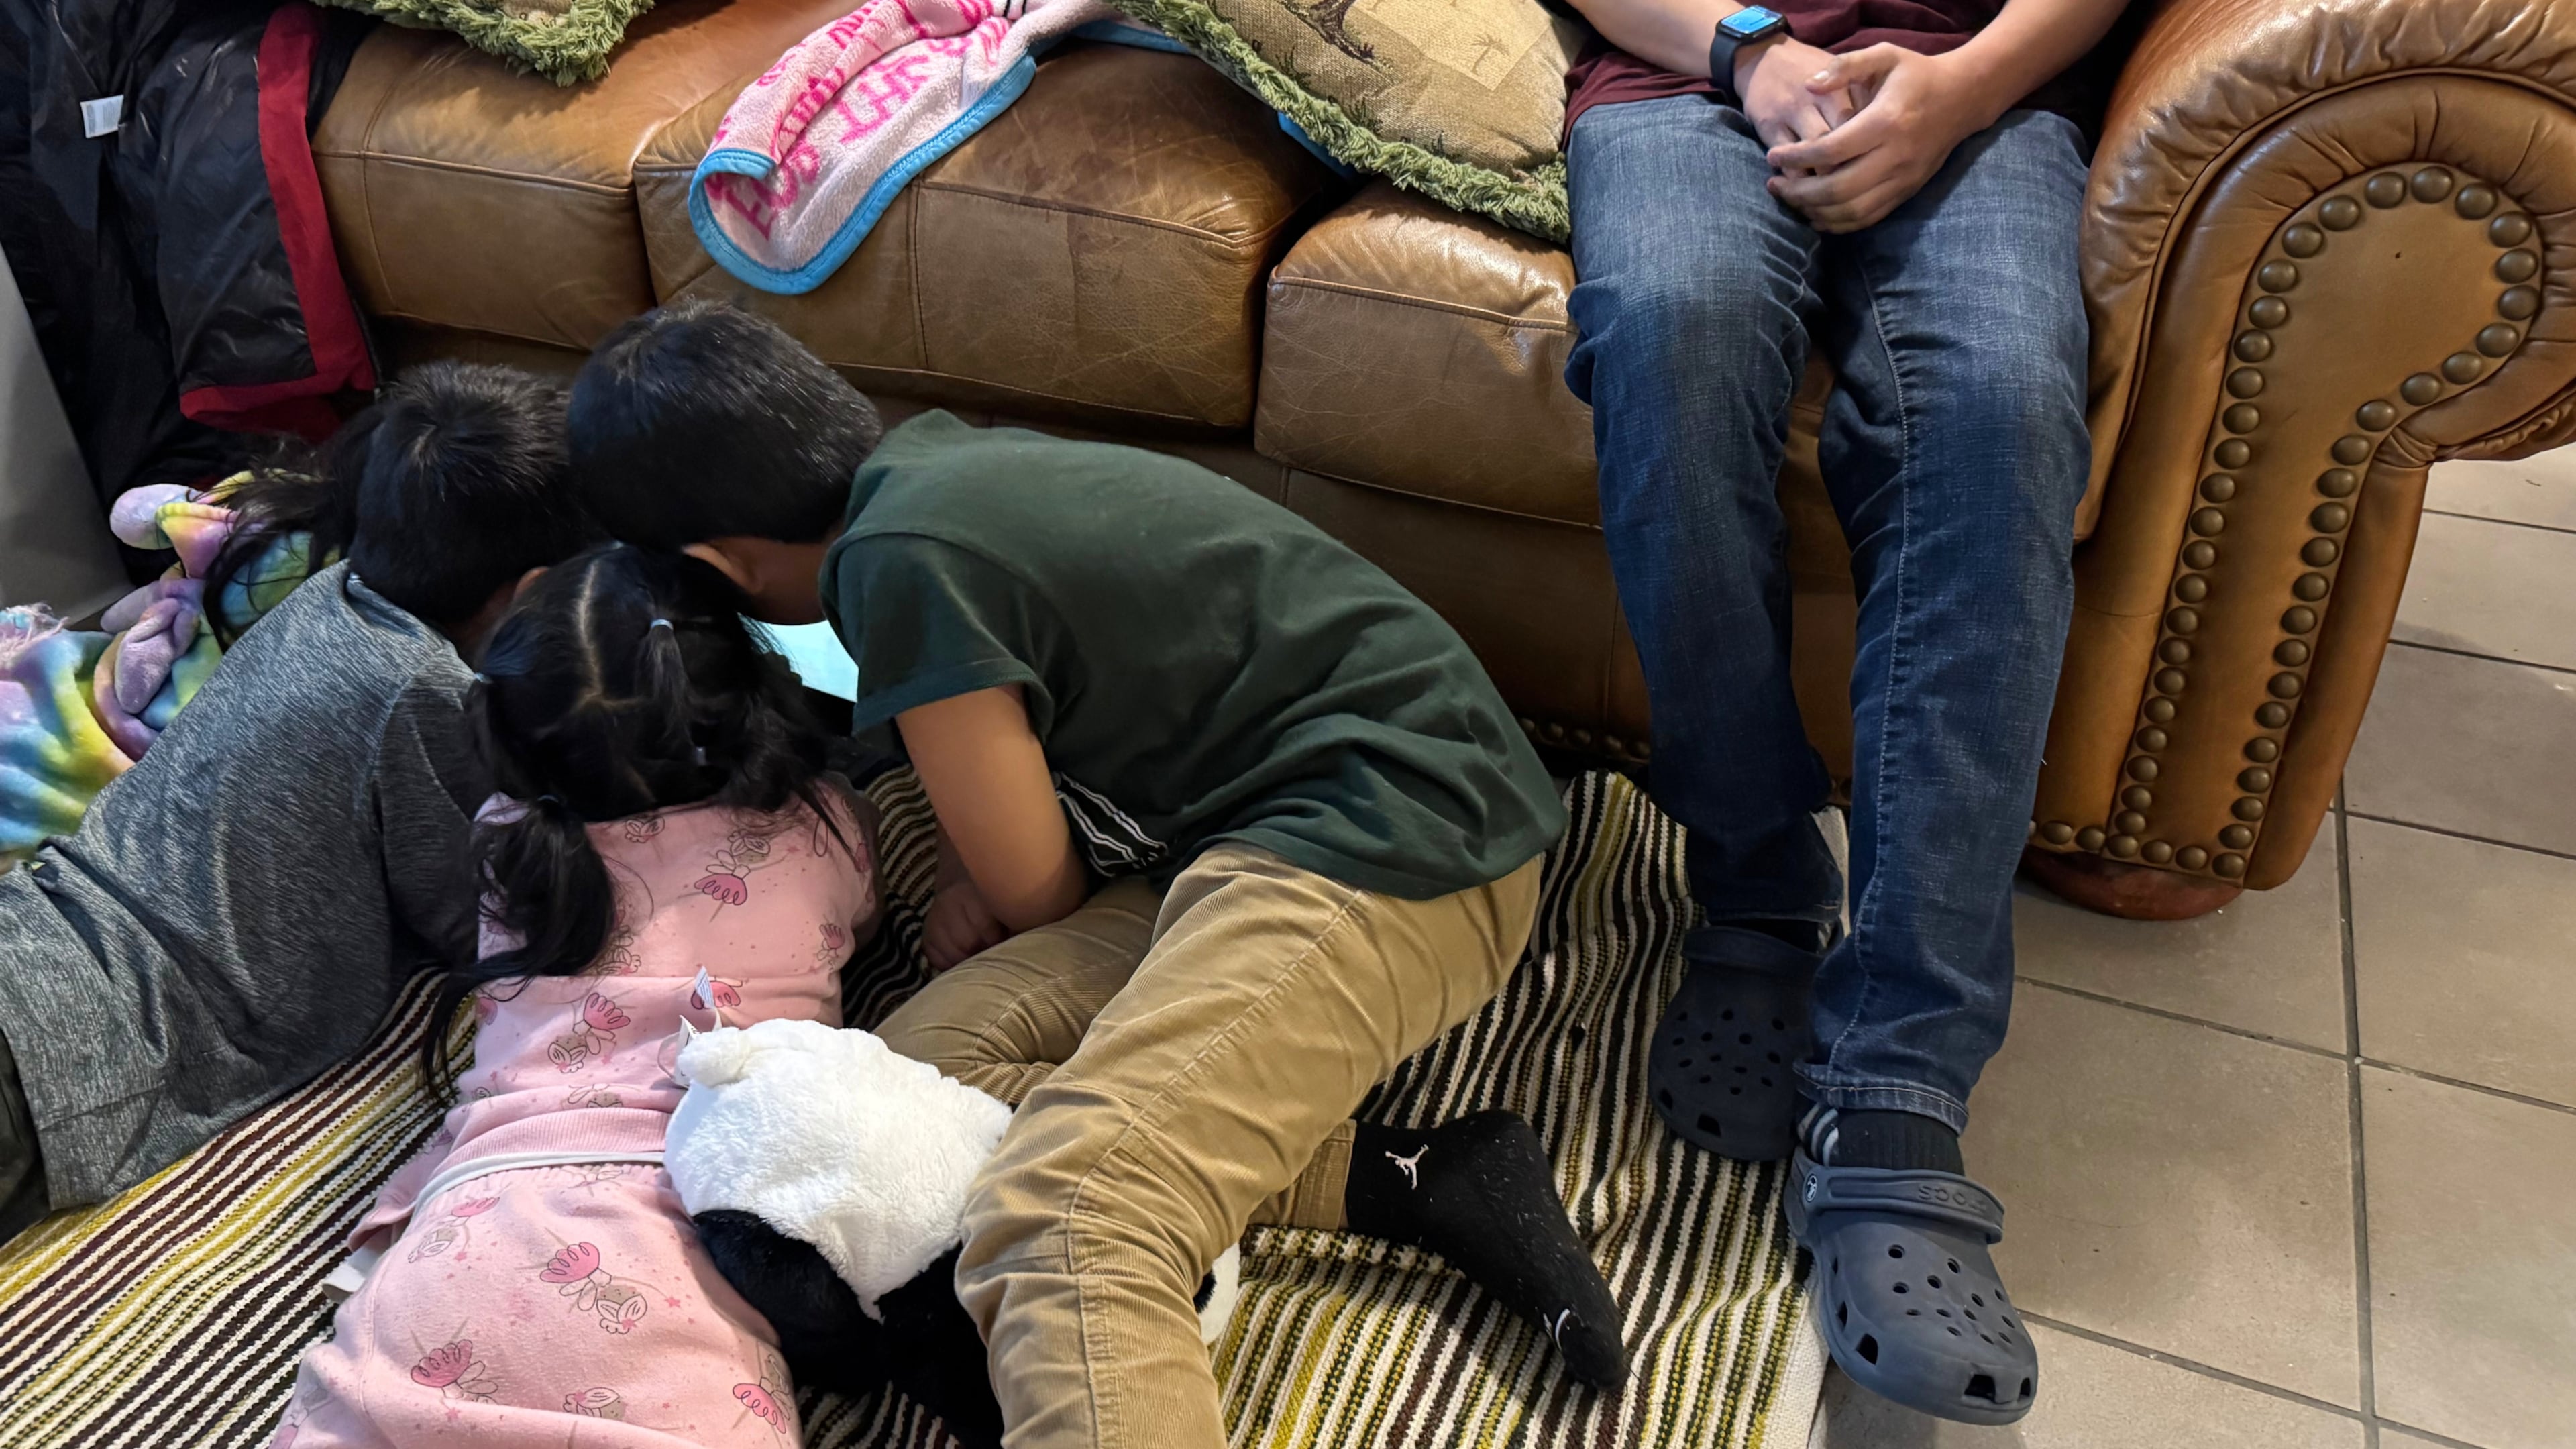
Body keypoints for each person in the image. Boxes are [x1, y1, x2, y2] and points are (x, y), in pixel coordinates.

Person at [564, 299, 1621, 1447]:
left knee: (1072, 1212)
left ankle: (1169, 1190)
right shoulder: (932, 470)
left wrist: (1000, 878)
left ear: (717, 567)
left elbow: (1036, 895)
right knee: (911, 1081)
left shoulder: (900, 567)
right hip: (1252, 831)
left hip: (1394, 828)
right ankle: (1420, 1174)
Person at [1551, 0, 2126, 1423]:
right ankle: (1755, 880)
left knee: (1997, 407)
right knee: (1669, 336)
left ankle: (1901, 1083)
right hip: (1686, 77)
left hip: (1979, 95)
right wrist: (1751, 53)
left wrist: (1965, 85)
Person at [270, 545, 885, 1448]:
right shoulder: (826, 830)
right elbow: (860, 918)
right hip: (682, 1239)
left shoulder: (508, 844)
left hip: (460, 1235)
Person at [0, 363, 600, 1240]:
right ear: (538, 592)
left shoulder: (325, 595)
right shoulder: (422, 691)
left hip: (37, 928)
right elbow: (478, 920)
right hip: (83, 1041)